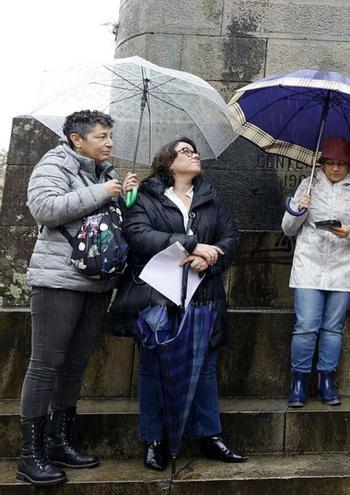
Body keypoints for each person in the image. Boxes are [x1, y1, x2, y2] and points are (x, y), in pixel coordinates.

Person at [110, 137, 246, 470]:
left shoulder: (210, 198)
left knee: (205, 370)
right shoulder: (144, 195)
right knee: (153, 370)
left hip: (203, 296)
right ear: (168, 161)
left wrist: (210, 260)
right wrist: (192, 244)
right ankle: (154, 440)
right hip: (157, 295)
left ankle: (209, 436)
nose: (194, 154)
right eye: (186, 151)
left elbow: (231, 238)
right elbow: (138, 235)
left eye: (195, 151)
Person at [19, 110, 138, 485]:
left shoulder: (106, 172)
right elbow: (44, 209)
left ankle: (59, 441)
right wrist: (101, 192)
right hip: (58, 281)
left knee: (74, 366)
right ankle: (30, 455)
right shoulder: (55, 162)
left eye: (110, 136)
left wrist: (124, 196)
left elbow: (106, 223)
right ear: (77, 139)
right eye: (102, 137)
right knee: (45, 366)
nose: (109, 143)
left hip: (97, 282)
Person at [283, 137, 350, 408]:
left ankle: (326, 379)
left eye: (341, 164)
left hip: (343, 266)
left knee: (332, 329)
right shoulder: (308, 184)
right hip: (309, 265)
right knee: (306, 326)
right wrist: (299, 209)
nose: (335, 169)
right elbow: (288, 228)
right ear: (321, 163)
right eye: (330, 163)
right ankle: (299, 381)